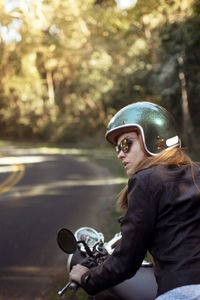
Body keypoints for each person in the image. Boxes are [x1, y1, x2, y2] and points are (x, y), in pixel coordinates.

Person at [69, 101, 200, 299]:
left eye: (125, 144)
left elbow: (126, 262)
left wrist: (88, 278)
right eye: (117, 148)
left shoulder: (146, 179)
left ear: (154, 139)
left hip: (182, 291)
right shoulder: (196, 173)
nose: (120, 153)